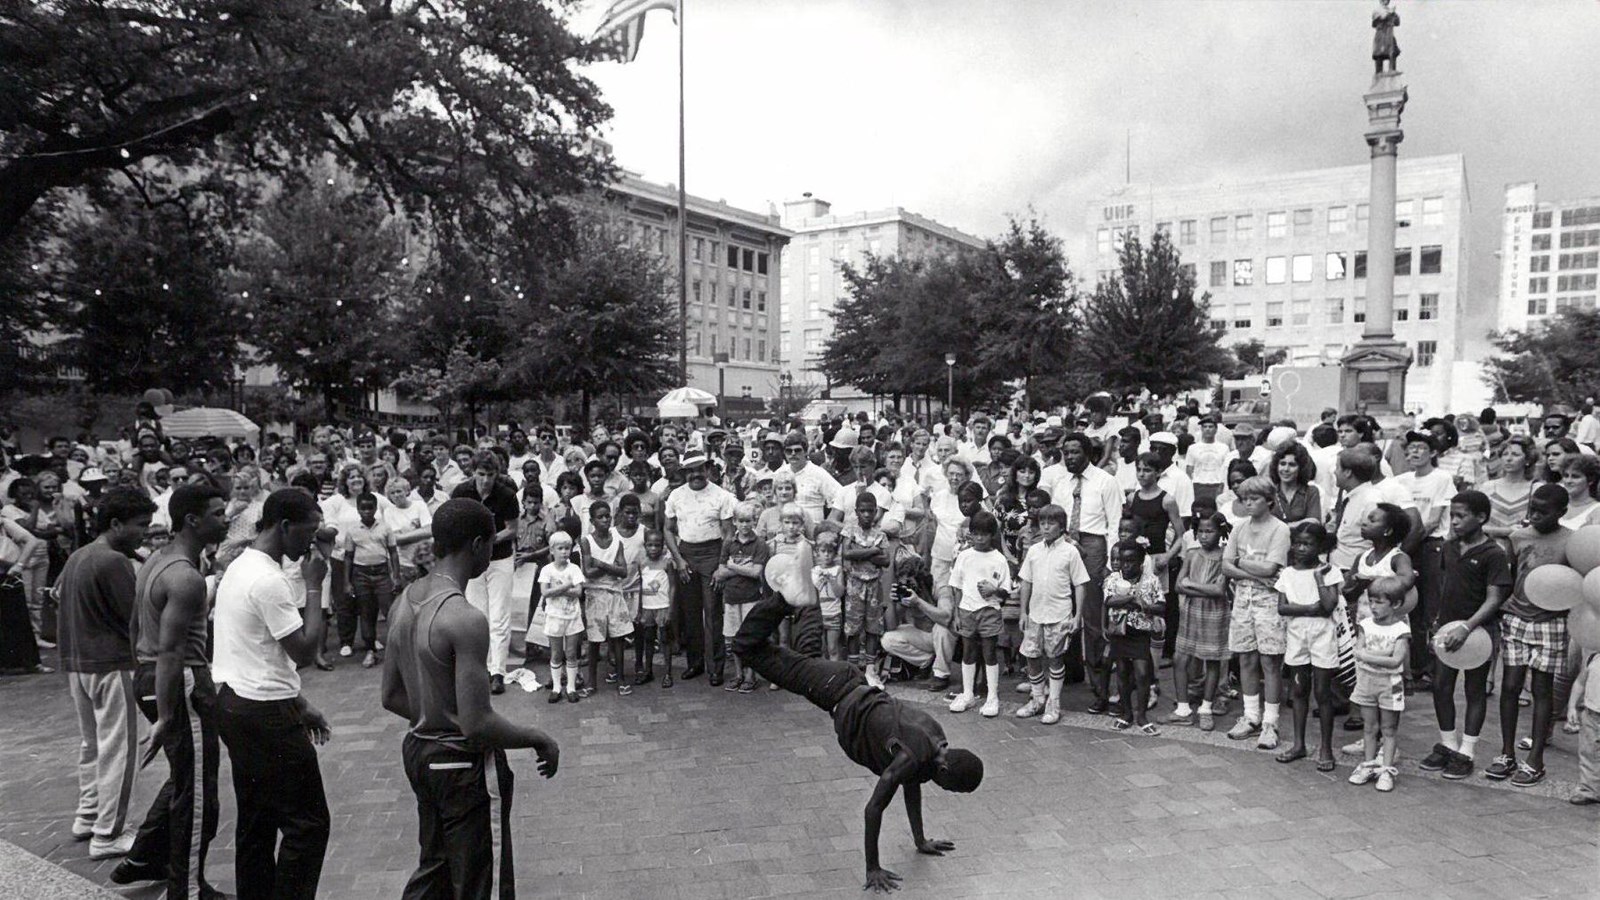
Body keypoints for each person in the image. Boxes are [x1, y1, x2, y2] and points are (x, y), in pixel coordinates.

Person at [730, 583, 982, 894]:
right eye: (951, 788)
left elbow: (914, 782)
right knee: (747, 648)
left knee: (797, 657)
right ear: (944, 771)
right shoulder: (911, 758)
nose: (945, 790)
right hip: (833, 687)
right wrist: (872, 867)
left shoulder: (935, 739)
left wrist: (920, 840)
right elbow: (873, 809)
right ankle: (785, 599)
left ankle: (803, 600)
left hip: (848, 682)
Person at [381, 498, 560, 899]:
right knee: (481, 883)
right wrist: (538, 737)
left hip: (419, 751)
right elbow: (478, 725)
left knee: (436, 869)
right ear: (479, 545)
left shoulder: (404, 601)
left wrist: (435, 714)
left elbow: (390, 696)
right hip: (461, 764)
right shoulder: (464, 618)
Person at [211, 489, 332, 900]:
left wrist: (299, 702)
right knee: (308, 824)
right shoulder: (268, 580)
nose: (311, 542)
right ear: (284, 526)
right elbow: (305, 651)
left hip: (237, 702)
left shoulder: (241, 566)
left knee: (257, 819)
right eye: (308, 531)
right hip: (266, 715)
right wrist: (314, 586)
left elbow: (256, 651)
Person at [55, 488, 154, 862]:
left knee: (93, 744)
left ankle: (89, 815)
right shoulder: (113, 561)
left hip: (79, 663)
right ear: (116, 524)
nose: (144, 533)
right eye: (140, 525)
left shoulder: (79, 556)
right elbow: (135, 617)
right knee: (119, 749)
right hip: (111, 664)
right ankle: (109, 832)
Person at [1419, 490, 1511, 782]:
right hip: (1448, 628)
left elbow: (1495, 599)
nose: (1455, 521)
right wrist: (1438, 622)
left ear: (1481, 518)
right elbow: (1445, 586)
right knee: (1441, 686)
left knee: (1474, 689)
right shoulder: (1448, 547)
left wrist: (1467, 627)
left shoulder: (1494, 553)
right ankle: (1448, 745)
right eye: (1453, 515)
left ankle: (1467, 752)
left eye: (1461, 516)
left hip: (1479, 632)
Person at [1488, 483, 1573, 787]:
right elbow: (1511, 576)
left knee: (1541, 689)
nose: (1535, 516)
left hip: (1552, 622)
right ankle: (1507, 753)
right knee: (1510, 686)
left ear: (1561, 512)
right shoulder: (1518, 537)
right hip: (1516, 617)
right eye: (1532, 509)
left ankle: (1535, 759)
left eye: (1543, 511)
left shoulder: (1571, 541)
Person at [1047, 432, 1123, 712]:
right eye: (1066, 452)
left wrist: (1110, 563)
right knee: (1061, 610)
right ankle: (1064, 676)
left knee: (1092, 619)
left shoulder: (1105, 481)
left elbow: (1114, 524)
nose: (1069, 457)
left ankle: (1100, 689)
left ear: (1088, 454)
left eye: (1075, 452)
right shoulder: (1060, 483)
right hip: (1065, 544)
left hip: (1093, 547)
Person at [1221, 475, 1291, 749]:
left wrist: (1241, 562)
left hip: (1269, 603)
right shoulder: (1239, 527)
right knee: (1246, 658)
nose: (1248, 503)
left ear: (1269, 501)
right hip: (1243, 600)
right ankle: (1250, 716)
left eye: (1254, 498)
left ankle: (1270, 722)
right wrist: (1251, 569)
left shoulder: (1280, 529)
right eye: (1245, 499)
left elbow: (1271, 567)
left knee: (1270, 661)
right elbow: (1226, 566)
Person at [450, 452, 520, 694]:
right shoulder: (461, 492)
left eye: (491, 474)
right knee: (478, 616)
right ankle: (482, 669)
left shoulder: (507, 495)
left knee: (500, 616)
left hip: (500, 560)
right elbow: (454, 522)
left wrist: (488, 541)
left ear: (497, 474)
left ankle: (498, 671)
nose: (486, 480)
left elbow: (512, 529)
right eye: (481, 474)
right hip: (472, 562)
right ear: (473, 472)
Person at [1275, 521, 1342, 771]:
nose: (1301, 548)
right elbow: (1282, 607)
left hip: (1322, 637)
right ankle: (1298, 744)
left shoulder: (1329, 572)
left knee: (1323, 693)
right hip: (1297, 637)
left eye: (1308, 544)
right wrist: (1309, 609)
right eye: (1298, 543)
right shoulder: (1288, 573)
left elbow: (1328, 606)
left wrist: (1318, 578)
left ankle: (1326, 748)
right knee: (1298, 690)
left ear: (1320, 546)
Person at [663, 454, 736, 685]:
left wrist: (721, 565)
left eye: (700, 469)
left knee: (712, 612)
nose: (695, 475)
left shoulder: (722, 496)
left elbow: (728, 533)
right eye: (690, 470)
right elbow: (668, 529)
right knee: (690, 612)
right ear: (684, 473)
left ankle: (716, 668)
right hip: (686, 555)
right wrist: (679, 560)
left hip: (713, 554)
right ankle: (695, 663)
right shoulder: (676, 495)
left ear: (708, 469)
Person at [1014, 505, 1088, 726]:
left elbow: (1080, 584)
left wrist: (1077, 616)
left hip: (1059, 613)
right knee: (1032, 655)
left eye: (1051, 523)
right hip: (1036, 613)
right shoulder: (1034, 551)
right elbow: (1026, 582)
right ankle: (1037, 698)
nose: (1046, 527)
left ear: (1062, 527)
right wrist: (1023, 612)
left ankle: (1053, 702)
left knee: (1055, 658)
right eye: (1042, 523)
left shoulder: (1070, 552)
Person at [945, 512, 1013, 718]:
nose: (980, 538)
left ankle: (992, 696)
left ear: (992, 535)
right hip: (967, 610)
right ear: (970, 534)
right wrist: (957, 614)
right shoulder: (964, 556)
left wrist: (994, 590)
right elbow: (956, 586)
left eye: (984, 534)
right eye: (976, 534)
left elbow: (1005, 591)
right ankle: (968, 694)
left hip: (989, 611)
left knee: (989, 653)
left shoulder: (999, 559)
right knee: (968, 652)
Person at [1346, 577, 1411, 792]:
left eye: (1379, 602)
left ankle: (1386, 769)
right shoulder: (1365, 625)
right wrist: (1384, 653)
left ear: (1396, 604)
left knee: (1389, 729)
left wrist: (1369, 656)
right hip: (1366, 681)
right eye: (1370, 601)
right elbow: (1358, 652)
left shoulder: (1401, 629)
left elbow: (1396, 660)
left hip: (1391, 684)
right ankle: (1368, 765)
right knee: (1369, 727)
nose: (1373, 607)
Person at [1172, 513, 1230, 731]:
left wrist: (1192, 585)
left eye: (1210, 531)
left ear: (1220, 532)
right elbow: (1178, 585)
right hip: (1191, 610)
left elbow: (1219, 590)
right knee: (1180, 657)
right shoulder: (1191, 554)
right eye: (1201, 531)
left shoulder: (1225, 557)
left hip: (1215, 612)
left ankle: (1206, 708)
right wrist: (1202, 588)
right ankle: (1183, 709)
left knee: (1212, 660)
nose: (1204, 536)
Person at [1103, 538, 1165, 735]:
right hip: (1120, 632)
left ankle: (1142, 716)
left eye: (1131, 561)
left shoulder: (1151, 580)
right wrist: (1132, 598)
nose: (1126, 565)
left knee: (1142, 673)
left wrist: (1145, 606)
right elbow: (1109, 600)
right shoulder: (1113, 579)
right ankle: (1126, 713)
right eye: (1123, 561)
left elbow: (1161, 605)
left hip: (1140, 633)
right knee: (1122, 672)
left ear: (1141, 563)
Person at [713, 501, 769, 694]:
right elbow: (720, 572)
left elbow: (756, 573)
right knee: (734, 638)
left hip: (751, 597)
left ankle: (750, 676)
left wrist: (733, 566)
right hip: (731, 597)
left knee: (750, 637)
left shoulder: (760, 544)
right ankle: (738, 674)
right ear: (735, 522)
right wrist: (743, 568)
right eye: (741, 521)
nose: (745, 525)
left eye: (748, 521)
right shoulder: (728, 543)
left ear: (754, 521)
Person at [340, 492, 400, 669]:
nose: (366, 511)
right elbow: (348, 557)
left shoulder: (385, 528)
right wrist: (347, 582)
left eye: (370, 508)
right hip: (361, 575)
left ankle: (398, 649)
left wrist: (396, 576)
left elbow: (393, 553)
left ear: (375, 509)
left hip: (382, 573)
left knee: (390, 610)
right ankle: (370, 650)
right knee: (366, 612)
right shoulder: (352, 531)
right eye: (363, 508)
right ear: (358, 509)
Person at [1572, 650, 1600, 805]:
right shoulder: (1594, 658)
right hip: (1591, 713)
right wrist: (1572, 706)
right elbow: (1580, 683)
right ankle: (1589, 789)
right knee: (1588, 752)